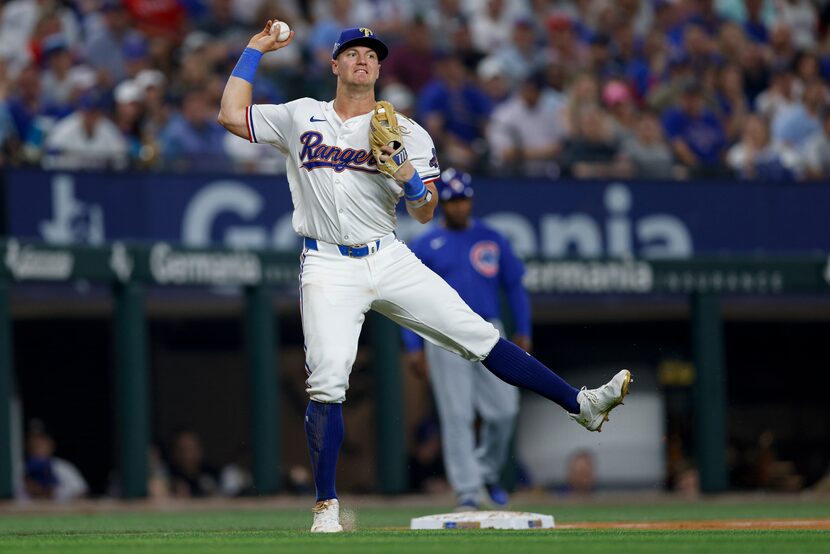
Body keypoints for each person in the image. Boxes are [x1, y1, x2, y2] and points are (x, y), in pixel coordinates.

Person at [218, 22, 631, 533]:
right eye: (352, 52)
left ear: (380, 68)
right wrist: (256, 49)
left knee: (477, 334)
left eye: (372, 53)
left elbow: (426, 211)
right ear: (335, 64)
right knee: (327, 379)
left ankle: (582, 405)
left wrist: (409, 178)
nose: (363, 59)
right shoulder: (302, 114)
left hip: (388, 254)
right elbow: (230, 114)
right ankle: (326, 507)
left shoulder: (408, 132)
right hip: (326, 263)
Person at [402, 169, 529, 510]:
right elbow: (407, 298)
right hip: (443, 333)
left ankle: (486, 470)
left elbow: (514, 285)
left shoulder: (492, 237)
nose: (458, 207)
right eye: (453, 200)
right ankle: (468, 490)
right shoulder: (427, 243)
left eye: (463, 200)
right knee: (456, 413)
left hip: (489, 328)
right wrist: (413, 346)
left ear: (471, 200)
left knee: (505, 409)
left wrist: (524, 329)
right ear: (443, 202)